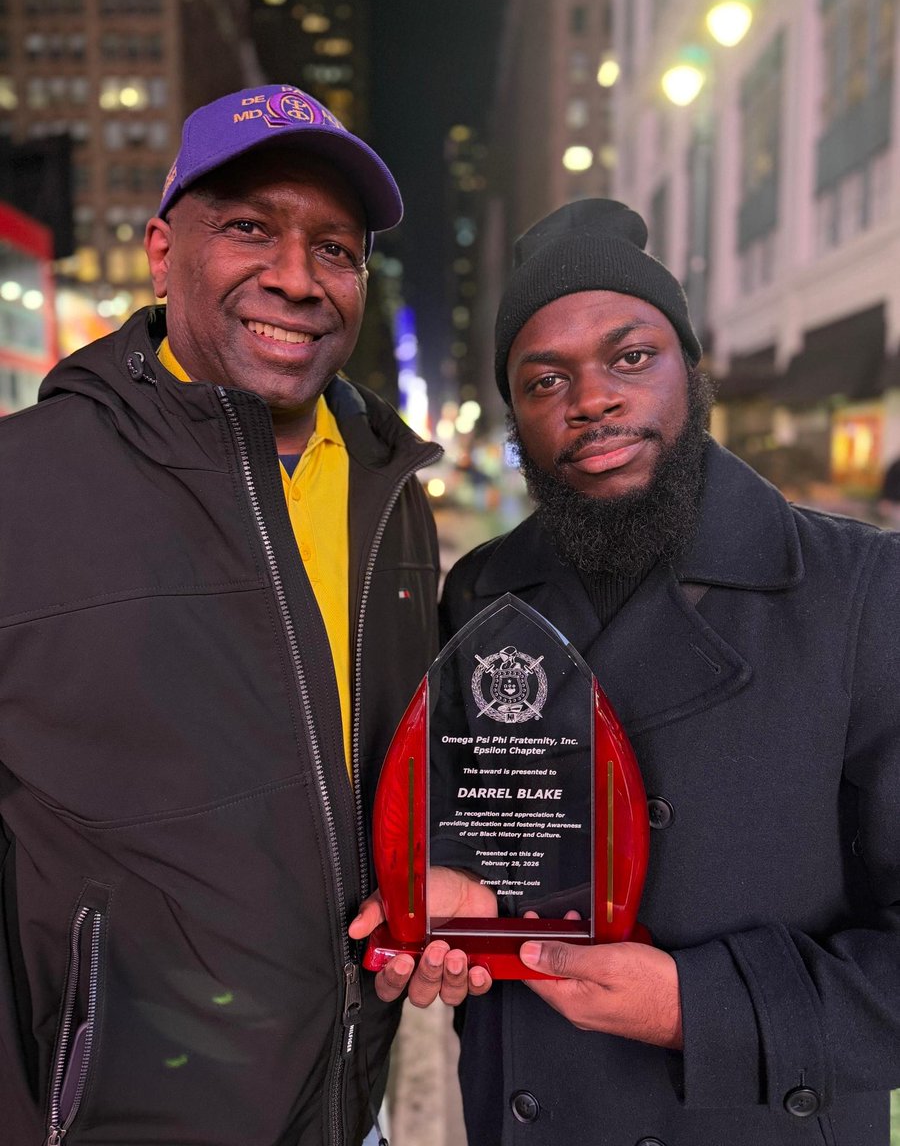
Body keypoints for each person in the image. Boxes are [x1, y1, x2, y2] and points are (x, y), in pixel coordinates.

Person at [353, 199, 900, 1145]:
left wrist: (700, 1008)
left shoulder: (861, 591)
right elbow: (491, 815)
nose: (592, 399)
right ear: (517, 414)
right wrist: (450, 895)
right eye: (544, 379)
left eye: (630, 358)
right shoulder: (484, 590)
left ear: (692, 368)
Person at [0, 84, 442, 1146]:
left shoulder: (393, 497)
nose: (296, 277)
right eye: (250, 228)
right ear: (163, 250)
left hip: (346, 1106)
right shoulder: (24, 488)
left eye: (334, 248)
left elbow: (385, 765)